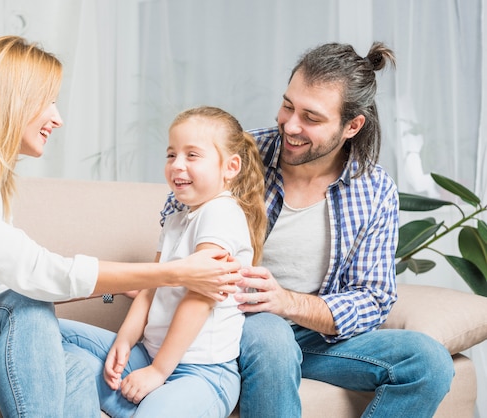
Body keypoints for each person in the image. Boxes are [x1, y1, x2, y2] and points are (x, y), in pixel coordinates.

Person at [0, 36, 240, 418]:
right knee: (53, 338)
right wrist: (169, 273)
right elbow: (33, 275)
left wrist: (114, 289)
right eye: (48, 102)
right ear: (11, 102)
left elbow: (12, 286)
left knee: (59, 343)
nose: (57, 118)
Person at [163, 42, 455, 417]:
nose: (290, 125)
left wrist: (288, 302)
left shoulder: (374, 189)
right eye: (288, 106)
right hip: (236, 325)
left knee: (428, 362)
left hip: (311, 336)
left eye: (311, 118)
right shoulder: (237, 156)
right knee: (271, 334)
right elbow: (174, 222)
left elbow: (374, 298)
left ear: (352, 126)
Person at [60, 106, 267, 418]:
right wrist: (125, 341)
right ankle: (132, 397)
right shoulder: (175, 219)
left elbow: (198, 300)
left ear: (230, 167)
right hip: (147, 356)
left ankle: (142, 400)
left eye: (192, 155)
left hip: (202, 373)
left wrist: (157, 372)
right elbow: (149, 288)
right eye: (171, 155)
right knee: (50, 331)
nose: (177, 165)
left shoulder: (221, 213)